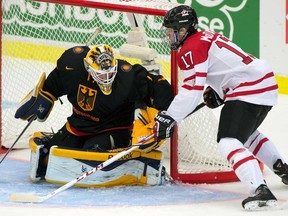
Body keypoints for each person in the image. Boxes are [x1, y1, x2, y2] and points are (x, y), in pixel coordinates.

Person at [146, 5, 288, 210]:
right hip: (263, 83)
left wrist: (170, 116)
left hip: (249, 88)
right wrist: (219, 92)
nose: (169, 37)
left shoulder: (190, 48)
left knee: (228, 141)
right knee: (246, 135)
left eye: (172, 32)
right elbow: (226, 66)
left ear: (184, 30)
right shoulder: (204, 37)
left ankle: (260, 190)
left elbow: (191, 90)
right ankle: (282, 169)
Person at [15, 44, 174, 187]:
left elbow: (158, 86)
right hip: (77, 126)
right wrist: (44, 96)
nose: (107, 78)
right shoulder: (73, 68)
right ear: (88, 67)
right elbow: (55, 82)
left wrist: (162, 117)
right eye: (101, 74)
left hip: (113, 129)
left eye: (110, 72)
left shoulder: (127, 76)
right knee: (48, 155)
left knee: (89, 155)